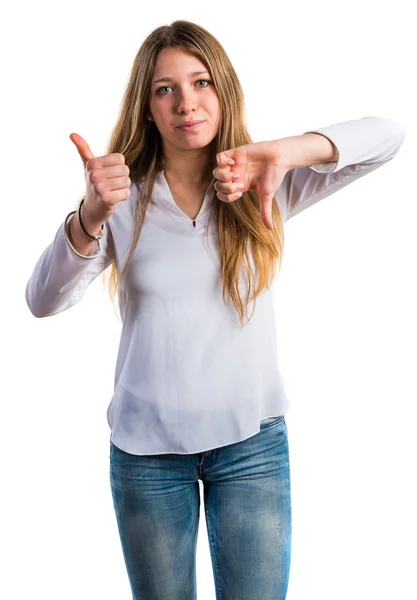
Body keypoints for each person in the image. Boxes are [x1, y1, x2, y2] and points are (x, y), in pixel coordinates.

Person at [25, 19, 405, 600]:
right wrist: (90, 214)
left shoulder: (263, 185)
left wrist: (284, 150)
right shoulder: (120, 199)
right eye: (165, 89)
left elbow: (388, 135)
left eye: (201, 82)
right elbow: (42, 301)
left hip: (251, 448)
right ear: (147, 107)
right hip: (147, 459)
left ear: (223, 90)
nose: (186, 103)